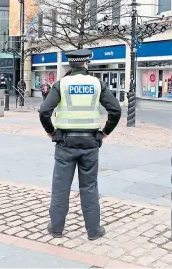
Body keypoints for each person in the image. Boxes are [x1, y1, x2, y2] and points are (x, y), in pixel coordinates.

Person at [38, 49, 121, 241]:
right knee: (89, 187)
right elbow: (115, 110)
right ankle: (93, 231)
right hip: (91, 142)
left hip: (65, 142)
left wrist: (52, 132)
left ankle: (56, 229)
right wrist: (105, 132)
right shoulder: (97, 83)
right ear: (86, 64)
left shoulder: (61, 84)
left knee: (61, 186)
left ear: (71, 64)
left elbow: (44, 111)